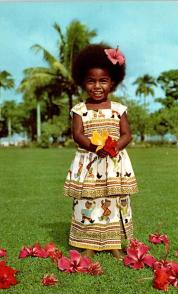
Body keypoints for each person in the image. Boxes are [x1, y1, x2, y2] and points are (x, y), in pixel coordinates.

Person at [64, 43, 138, 260]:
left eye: (103, 81)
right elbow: (77, 134)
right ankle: (89, 245)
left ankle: (114, 244)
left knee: (114, 200)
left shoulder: (118, 109)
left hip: (114, 163)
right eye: (91, 81)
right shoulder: (79, 110)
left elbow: (127, 134)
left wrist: (114, 146)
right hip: (89, 163)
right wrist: (95, 147)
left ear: (112, 82)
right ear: (83, 82)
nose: (97, 86)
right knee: (89, 201)